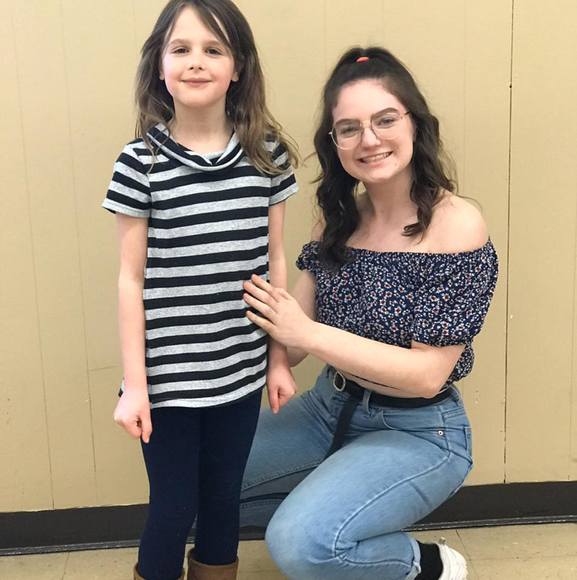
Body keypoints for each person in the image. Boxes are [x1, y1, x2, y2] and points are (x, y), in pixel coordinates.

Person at [240, 46, 498, 580]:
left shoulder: (457, 225)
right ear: (334, 142)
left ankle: (422, 563)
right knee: (201, 477)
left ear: (415, 123)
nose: (369, 139)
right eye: (349, 128)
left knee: (300, 546)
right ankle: (332, 513)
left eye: (385, 120)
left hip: (419, 430)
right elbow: (288, 340)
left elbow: (427, 375)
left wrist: (308, 333)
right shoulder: (338, 221)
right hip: (326, 408)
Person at [102, 1, 298, 578]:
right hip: (166, 383)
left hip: (239, 372)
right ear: (159, 66)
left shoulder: (267, 156)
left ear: (238, 68)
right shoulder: (140, 163)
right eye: (181, 49)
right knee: (173, 508)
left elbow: (274, 261)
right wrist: (136, 387)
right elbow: (130, 279)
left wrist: (277, 359)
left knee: (222, 503)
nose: (196, 62)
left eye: (214, 50)